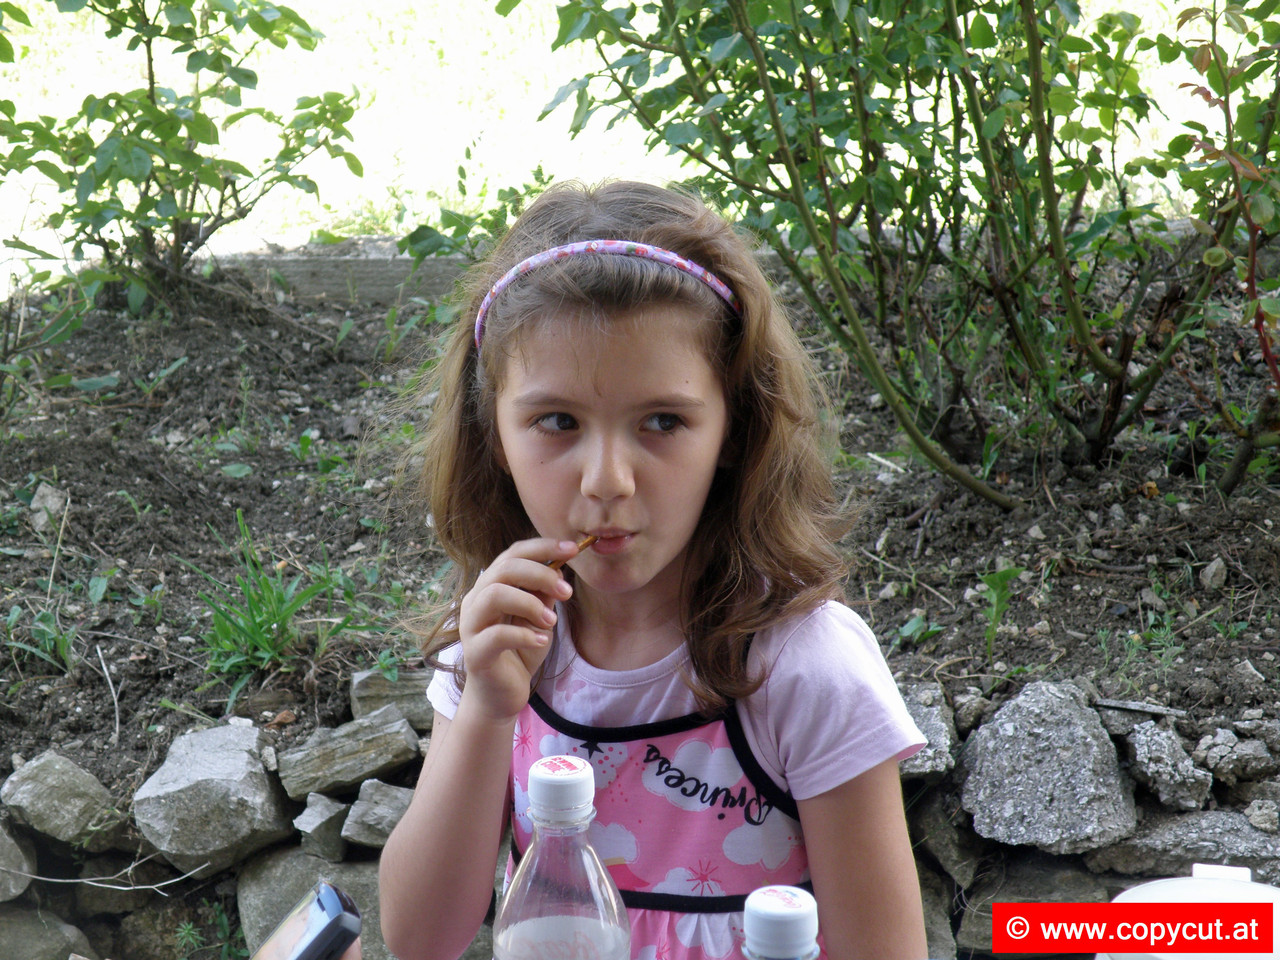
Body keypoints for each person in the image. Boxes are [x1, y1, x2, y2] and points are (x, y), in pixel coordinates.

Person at [379, 180, 928, 960]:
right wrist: (487, 713)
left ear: (734, 430)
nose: (607, 480)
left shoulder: (804, 671)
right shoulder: (499, 643)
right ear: (493, 432)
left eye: (663, 421)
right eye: (557, 421)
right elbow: (418, 938)